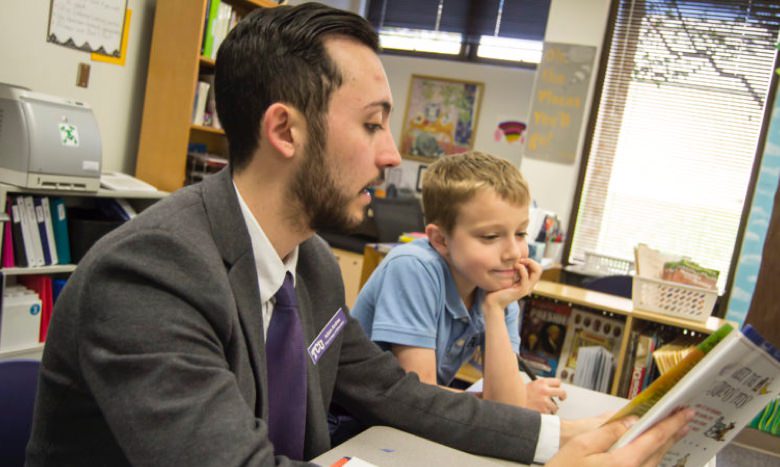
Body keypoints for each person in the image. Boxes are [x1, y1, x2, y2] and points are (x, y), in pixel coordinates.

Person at [26, 3, 693, 466]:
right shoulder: (152, 275)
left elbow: (396, 393)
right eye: (373, 122)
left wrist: (561, 437)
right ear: (286, 130)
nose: (393, 153)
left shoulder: (309, 263)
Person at [351, 151, 565, 414]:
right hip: (350, 426)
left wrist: (495, 310)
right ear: (441, 240)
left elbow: (507, 409)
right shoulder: (414, 268)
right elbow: (419, 397)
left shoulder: (495, 287)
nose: (514, 252)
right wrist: (505, 400)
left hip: (401, 426)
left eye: (520, 233)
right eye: (490, 236)